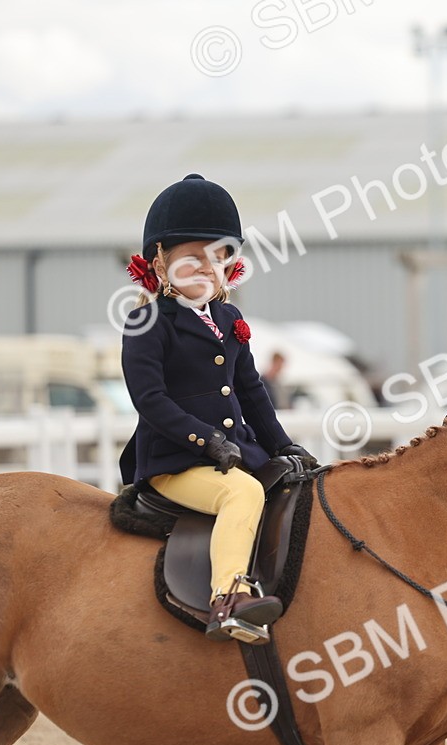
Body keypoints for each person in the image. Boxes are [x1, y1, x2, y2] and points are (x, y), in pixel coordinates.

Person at [118, 174, 317, 641]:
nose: (207, 268)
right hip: (176, 460)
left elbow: (251, 392)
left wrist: (284, 446)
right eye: (193, 257)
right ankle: (228, 598)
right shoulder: (147, 322)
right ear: (161, 260)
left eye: (218, 256)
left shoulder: (229, 318)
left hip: (234, 451)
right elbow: (150, 400)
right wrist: (204, 439)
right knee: (241, 495)